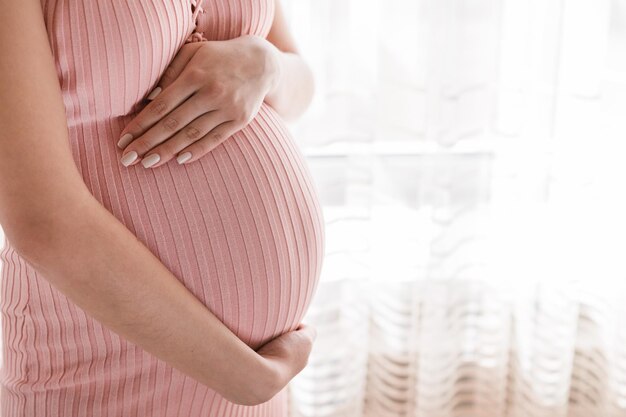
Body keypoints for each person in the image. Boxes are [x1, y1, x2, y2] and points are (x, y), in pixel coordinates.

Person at [0, 0, 325, 415]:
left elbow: (300, 86)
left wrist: (267, 66)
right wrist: (244, 376)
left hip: (253, 375)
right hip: (104, 370)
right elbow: (41, 221)